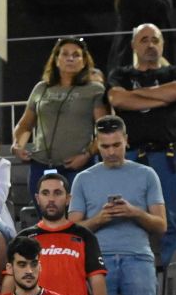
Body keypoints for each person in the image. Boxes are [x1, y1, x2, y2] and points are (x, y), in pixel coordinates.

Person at [69, 116, 166, 295]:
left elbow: (161, 225)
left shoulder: (146, 174)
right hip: (98, 264)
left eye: (116, 145)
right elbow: (72, 231)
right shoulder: (83, 179)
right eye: (105, 146)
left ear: (126, 141)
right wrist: (101, 219)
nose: (111, 152)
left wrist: (134, 212)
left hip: (138, 260)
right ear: (96, 145)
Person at [105, 27, 176, 262]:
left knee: (170, 221)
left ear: (162, 45)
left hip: (166, 157)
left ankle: (165, 278)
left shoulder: (175, 71)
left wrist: (136, 96)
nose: (150, 44)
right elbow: (117, 99)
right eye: (144, 40)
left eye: (155, 40)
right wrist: (160, 97)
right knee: (126, 218)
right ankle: (132, 266)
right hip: (130, 157)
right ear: (134, 45)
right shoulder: (120, 74)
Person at [13, 37, 107, 198]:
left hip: (77, 166)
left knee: (77, 215)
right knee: (44, 216)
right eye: (65, 54)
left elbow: (104, 129)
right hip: (41, 165)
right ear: (56, 60)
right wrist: (17, 146)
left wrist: (86, 155)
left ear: (84, 62)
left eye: (76, 55)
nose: (70, 58)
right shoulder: (41, 88)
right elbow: (25, 125)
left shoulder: (94, 90)